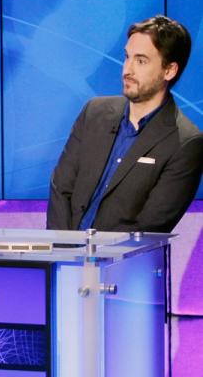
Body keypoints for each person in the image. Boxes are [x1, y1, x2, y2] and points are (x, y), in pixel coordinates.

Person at [47, 15, 203, 233]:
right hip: (67, 260)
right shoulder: (94, 112)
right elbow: (60, 187)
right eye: (127, 57)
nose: (127, 69)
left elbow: (151, 226)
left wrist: (97, 260)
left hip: (122, 265)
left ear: (169, 70)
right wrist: (64, 253)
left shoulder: (185, 143)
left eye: (141, 60)